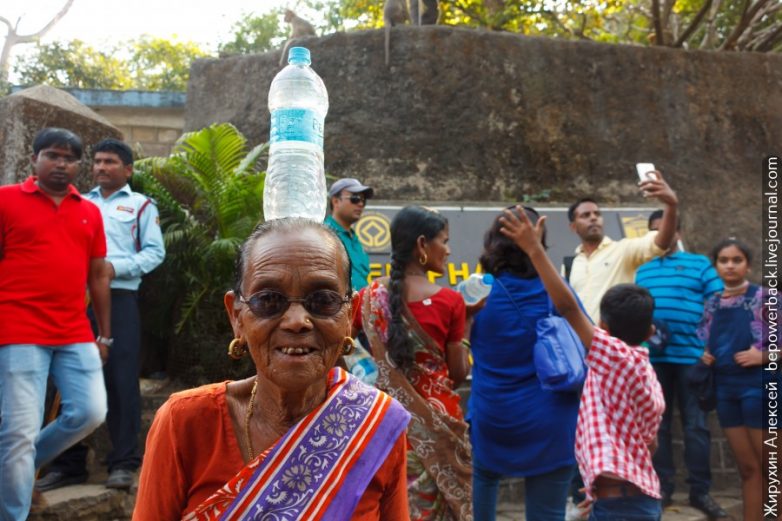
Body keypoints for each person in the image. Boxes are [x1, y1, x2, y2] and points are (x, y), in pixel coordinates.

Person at [133, 218, 410, 520]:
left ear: (349, 314)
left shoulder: (376, 428)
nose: (296, 321)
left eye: (323, 300)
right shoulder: (184, 424)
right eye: (268, 300)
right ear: (236, 316)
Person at [500, 205, 665, 521]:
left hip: (621, 507)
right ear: (649, 332)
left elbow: (568, 307)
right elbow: (651, 443)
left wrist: (534, 250)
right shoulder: (646, 371)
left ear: (602, 326)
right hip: (635, 499)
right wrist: (599, 488)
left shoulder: (614, 357)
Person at [37, 139, 166, 492]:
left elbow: (155, 252)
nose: (101, 167)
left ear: (128, 170)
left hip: (120, 299)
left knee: (121, 380)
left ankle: (123, 463)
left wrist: (115, 267)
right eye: (96, 161)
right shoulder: (76, 202)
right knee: (63, 381)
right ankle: (67, 465)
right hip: (73, 300)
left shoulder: (141, 206)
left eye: (110, 162)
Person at [0, 128, 110, 519]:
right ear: (34, 159)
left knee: (90, 412)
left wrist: (105, 335)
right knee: (17, 432)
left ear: (79, 165)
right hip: (18, 330)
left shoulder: (89, 211)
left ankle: (19, 465)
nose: (60, 163)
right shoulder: (6, 201)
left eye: (69, 158)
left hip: (73, 331)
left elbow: (98, 273)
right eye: (52, 155)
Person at [353, 205, 473, 521]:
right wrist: (468, 327)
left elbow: (341, 346)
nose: (447, 250)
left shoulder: (367, 298)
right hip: (442, 428)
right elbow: (458, 374)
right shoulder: (451, 302)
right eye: (443, 241)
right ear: (422, 245)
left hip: (385, 426)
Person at [469, 206, 581, 521]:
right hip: (551, 421)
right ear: (537, 242)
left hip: (493, 417)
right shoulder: (556, 295)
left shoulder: (477, 293)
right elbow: (582, 325)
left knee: (480, 496)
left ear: (493, 241)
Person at [634, 210, 727, 517]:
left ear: (678, 232)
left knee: (696, 427)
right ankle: (661, 489)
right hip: (653, 361)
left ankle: (700, 492)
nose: (661, 235)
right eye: (654, 231)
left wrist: (709, 346)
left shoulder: (700, 264)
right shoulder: (642, 269)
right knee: (656, 427)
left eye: (668, 229)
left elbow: (719, 305)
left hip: (693, 360)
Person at [698, 238, 774, 521]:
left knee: (772, 468)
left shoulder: (767, 298)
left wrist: (764, 357)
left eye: (737, 260)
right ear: (716, 265)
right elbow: (707, 342)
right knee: (747, 469)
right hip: (726, 389)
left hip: (760, 387)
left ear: (748, 265)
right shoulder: (712, 304)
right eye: (724, 260)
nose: (730, 265)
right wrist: (706, 356)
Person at [567, 170, 679, 322]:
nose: (593, 218)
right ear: (573, 227)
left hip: (612, 343)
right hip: (580, 342)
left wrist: (671, 205)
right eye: (585, 215)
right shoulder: (573, 263)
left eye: (597, 214)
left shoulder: (622, 250)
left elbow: (660, 242)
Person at [325, 178, 374, 291]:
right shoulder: (325, 234)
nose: (361, 204)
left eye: (363, 200)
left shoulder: (354, 238)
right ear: (336, 201)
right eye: (355, 198)